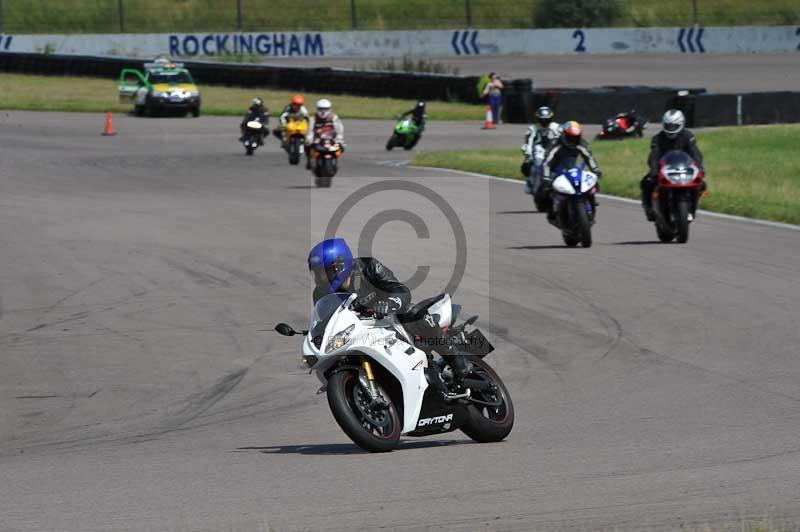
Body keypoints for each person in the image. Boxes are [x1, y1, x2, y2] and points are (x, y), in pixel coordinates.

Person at [308, 238, 470, 396]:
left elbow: (400, 290)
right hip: (360, 330)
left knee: (415, 314)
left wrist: (387, 303)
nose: (321, 278)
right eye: (317, 273)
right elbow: (326, 319)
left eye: (324, 272)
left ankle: (458, 362)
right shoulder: (321, 293)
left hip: (390, 317)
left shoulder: (367, 267)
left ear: (340, 265)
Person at [640, 109, 705, 221]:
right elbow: (654, 156)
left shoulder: (687, 136)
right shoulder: (658, 138)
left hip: (683, 168)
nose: (671, 129)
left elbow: (696, 154)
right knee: (646, 182)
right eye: (668, 125)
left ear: (681, 124)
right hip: (664, 169)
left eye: (674, 126)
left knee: (702, 184)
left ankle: (692, 208)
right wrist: (654, 171)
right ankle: (649, 208)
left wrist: (699, 168)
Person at [542, 121, 602, 220]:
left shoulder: (581, 143)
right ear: (565, 134)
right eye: (571, 137)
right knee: (546, 189)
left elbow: (589, 157)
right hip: (556, 169)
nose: (573, 140)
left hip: (573, 167)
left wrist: (596, 170)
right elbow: (547, 162)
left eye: (576, 137)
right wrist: (546, 177)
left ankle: (590, 201)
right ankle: (552, 211)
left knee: (591, 182)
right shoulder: (556, 144)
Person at [521, 106, 561, 194]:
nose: (544, 122)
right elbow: (529, 142)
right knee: (527, 165)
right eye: (542, 120)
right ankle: (530, 182)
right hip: (539, 150)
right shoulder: (532, 128)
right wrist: (528, 153)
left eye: (547, 120)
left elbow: (563, 139)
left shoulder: (557, 127)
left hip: (553, 149)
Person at [306, 99, 345, 170]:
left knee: (341, 147)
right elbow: (310, 130)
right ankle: (309, 160)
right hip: (318, 138)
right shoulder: (313, 118)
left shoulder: (334, 117)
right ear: (317, 108)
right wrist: (309, 139)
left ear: (329, 109)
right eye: (321, 109)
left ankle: (335, 160)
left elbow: (339, 128)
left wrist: (339, 139)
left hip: (331, 138)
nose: (323, 111)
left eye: (325, 109)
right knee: (307, 146)